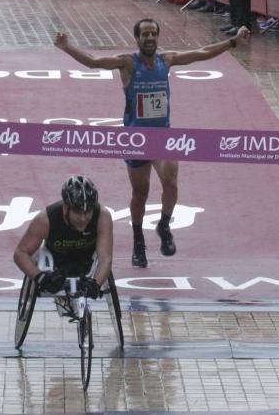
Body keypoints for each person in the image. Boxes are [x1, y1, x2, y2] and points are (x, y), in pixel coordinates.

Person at [53, 20, 250, 267]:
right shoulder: (127, 63)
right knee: (140, 192)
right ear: (137, 38)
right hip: (136, 138)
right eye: (145, 34)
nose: (150, 38)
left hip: (162, 137)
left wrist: (233, 42)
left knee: (170, 181)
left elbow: (201, 54)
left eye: (153, 34)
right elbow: (94, 63)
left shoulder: (165, 61)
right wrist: (66, 47)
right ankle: (138, 241)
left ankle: (164, 224)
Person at [13, 175, 113, 301]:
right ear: (66, 208)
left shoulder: (102, 216)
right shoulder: (45, 220)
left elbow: (105, 259)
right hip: (56, 261)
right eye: (77, 212)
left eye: (88, 212)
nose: (83, 218)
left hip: (87, 259)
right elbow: (20, 253)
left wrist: (96, 284)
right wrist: (40, 277)